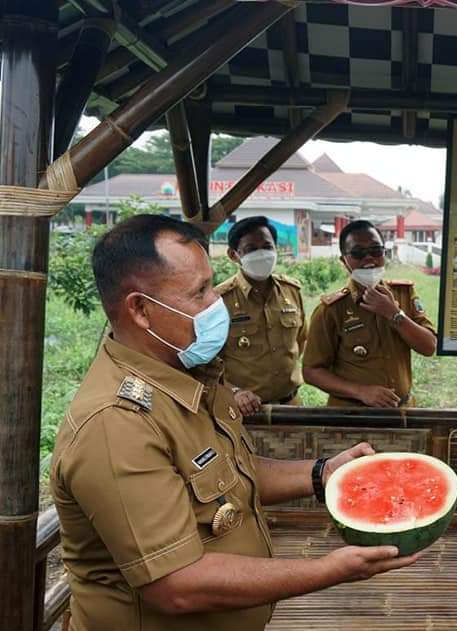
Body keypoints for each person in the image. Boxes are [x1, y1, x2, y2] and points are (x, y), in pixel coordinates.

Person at [50, 215, 417, 630]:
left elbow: (231, 472)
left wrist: (322, 473)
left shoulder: (190, 373)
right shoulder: (116, 425)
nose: (215, 304)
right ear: (140, 310)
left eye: (211, 283)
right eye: (199, 293)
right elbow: (178, 584)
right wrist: (331, 569)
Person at [302, 220, 436, 407]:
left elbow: (429, 346)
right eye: (358, 253)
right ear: (344, 261)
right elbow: (311, 371)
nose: (369, 259)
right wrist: (360, 391)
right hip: (353, 416)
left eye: (375, 250)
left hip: (402, 413)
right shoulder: (331, 310)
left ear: (384, 252)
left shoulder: (404, 294)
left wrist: (394, 314)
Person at [216, 216, 306, 416]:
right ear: (234, 255)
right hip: (244, 411)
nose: (261, 254)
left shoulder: (292, 292)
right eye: (251, 249)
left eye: (267, 246)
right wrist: (235, 392)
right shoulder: (220, 300)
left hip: (292, 408)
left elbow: (300, 341)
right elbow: (207, 364)